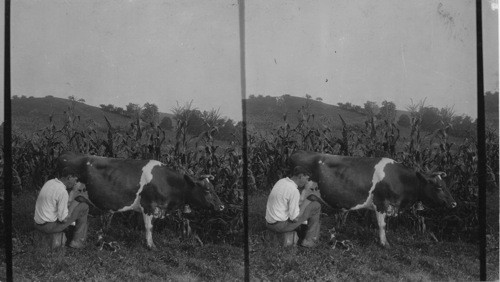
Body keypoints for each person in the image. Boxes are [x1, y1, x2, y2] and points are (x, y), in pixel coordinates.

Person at [265, 166, 322, 248]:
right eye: (306, 179)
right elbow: (295, 218)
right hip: (279, 226)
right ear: (300, 176)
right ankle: (308, 241)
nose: (306, 182)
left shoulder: (281, 181)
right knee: (316, 206)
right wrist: (306, 202)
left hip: (269, 223)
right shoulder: (294, 190)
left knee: (306, 207)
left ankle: (304, 234)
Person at [33, 169, 89, 249]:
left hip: (37, 224)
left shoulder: (50, 182)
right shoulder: (62, 192)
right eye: (75, 180)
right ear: (69, 177)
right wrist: (73, 204)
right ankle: (77, 241)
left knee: (75, 206)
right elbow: (64, 219)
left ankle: (73, 236)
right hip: (48, 227)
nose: (75, 183)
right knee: (84, 207)